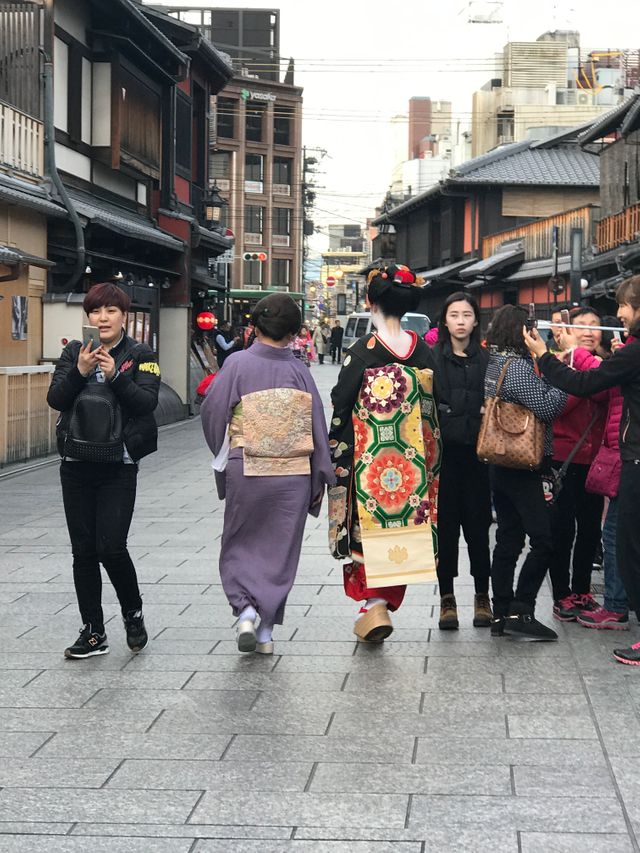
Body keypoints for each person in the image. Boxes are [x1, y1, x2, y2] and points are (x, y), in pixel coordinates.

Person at [200, 293, 334, 655]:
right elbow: (316, 426)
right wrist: (321, 474)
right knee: (280, 549)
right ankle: (266, 633)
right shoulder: (299, 371)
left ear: (254, 326)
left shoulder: (237, 364)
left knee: (240, 540)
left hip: (248, 467)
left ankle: (244, 609)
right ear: (294, 333)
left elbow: (213, 411)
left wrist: (226, 451)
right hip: (292, 474)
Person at [524, 275, 640, 664]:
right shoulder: (627, 352)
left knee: (625, 543)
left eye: (623, 306)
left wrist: (545, 356)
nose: (618, 314)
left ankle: (618, 609)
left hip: (629, 459)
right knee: (604, 535)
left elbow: (586, 384)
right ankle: (592, 600)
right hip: (602, 458)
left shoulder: (630, 353)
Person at [47, 283, 160, 659]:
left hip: (119, 464)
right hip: (77, 463)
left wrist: (115, 376)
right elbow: (56, 399)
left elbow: (147, 403)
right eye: (96, 311)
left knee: (110, 546)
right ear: (89, 317)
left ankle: (133, 612)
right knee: (83, 551)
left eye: (111, 311)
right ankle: (93, 631)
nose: (103, 318)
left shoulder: (141, 354)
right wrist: (80, 370)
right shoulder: (73, 352)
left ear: (123, 315)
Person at [328, 264, 441, 642]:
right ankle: (379, 604)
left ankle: (372, 604)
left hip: (370, 462)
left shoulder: (363, 353)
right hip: (416, 464)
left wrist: (334, 452)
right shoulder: (424, 351)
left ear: (370, 302)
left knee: (366, 527)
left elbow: (341, 403)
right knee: (406, 525)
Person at [485, 305, 567, 641]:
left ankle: (501, 612)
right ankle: (522, 608)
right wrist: (561, 374)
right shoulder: (516, 368)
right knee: (544, 539)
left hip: (499, 461)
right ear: (522, 332)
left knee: (508, 538)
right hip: (523, 465)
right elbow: (548, 407)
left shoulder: (491, 363)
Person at [426, 292, 492, 630]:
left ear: (476, 320)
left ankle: (483, 595)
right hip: (444, 459)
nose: (461, 321)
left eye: (467, 315)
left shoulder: (487, 360)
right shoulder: (432, 360)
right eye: (455, 315)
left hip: (480, 458)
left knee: (480, 530)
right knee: (447, 529)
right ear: (445, 320)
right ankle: (447, 599)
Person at [547, 307, 607, 621]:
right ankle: (561, 594)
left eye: (594, 326)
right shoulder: (555, 364)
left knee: (589, 529)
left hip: (596, 460)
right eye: (580, 326)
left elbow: (605, 400)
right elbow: (555, 407)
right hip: (563, 459)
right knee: (561, 529)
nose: (587, 332)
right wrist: (580, 377)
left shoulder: (611, 367)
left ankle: (583, 590)